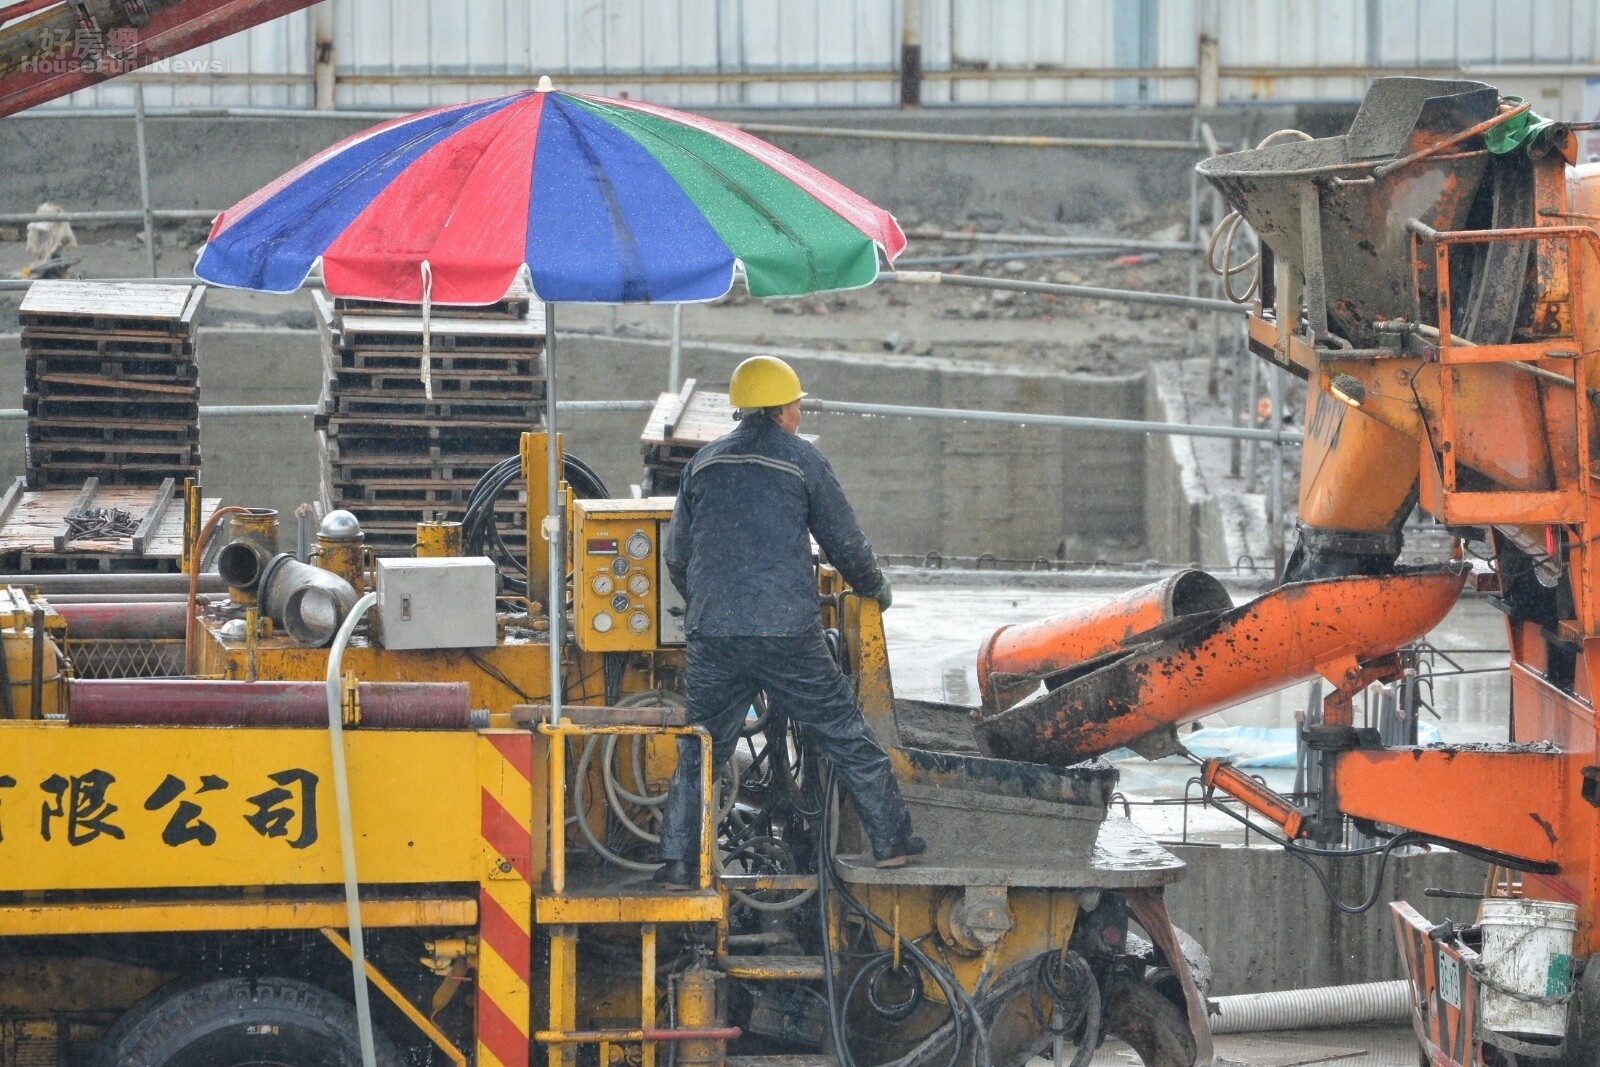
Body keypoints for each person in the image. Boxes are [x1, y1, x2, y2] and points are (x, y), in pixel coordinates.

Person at [653, 355, 923, 890]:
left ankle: (678, 862)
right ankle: (891, 841)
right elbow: (843, 540)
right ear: (780, 409)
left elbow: (676, 555)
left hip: (716, 634)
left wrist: (713, 603)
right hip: (787, 634)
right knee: (844, 731)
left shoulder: (703, 464)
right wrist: (872, 587)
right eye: (796, 405)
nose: (799, 414)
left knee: (701, 745)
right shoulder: (803, 462)